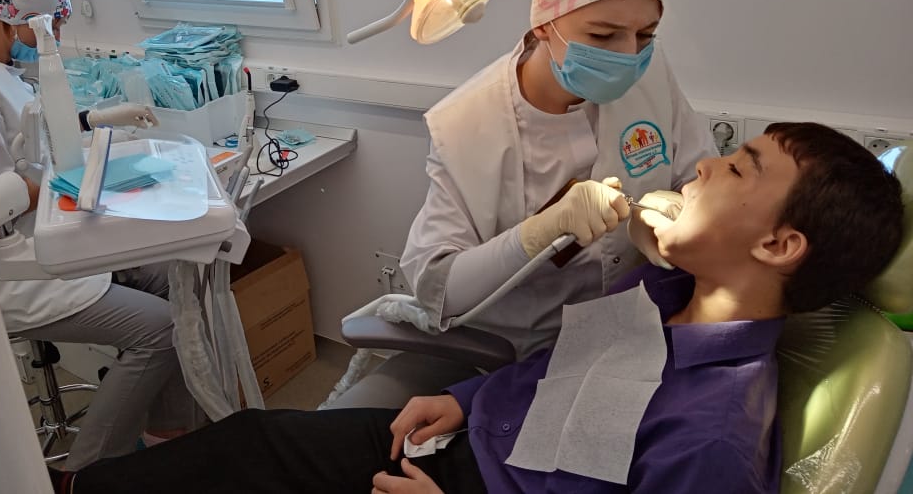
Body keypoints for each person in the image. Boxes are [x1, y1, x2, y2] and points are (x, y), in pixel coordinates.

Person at [49, 121, 905, 492]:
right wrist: (464, 398)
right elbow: (564, 376)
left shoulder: (713, 436)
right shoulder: (661, 290)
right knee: (252, 443)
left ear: (779, 246)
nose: (707, 166)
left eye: (741, 167)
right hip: (472, 442)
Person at [333, 0, 717, 407]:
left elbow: (702, 178)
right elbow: (438, 287)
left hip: (628, 334)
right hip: (518, 354)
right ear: (544, 24)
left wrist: (672, 211)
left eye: (645, 35)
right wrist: (536, 234)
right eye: (604, 36)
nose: (628, 55)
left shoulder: (653, 75)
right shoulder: (467, 124)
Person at [0, 0, 194, 468]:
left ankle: (165, 439)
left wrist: (93, 119)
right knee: (162, 329)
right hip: (10, 269)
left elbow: (29, 131)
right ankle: (85, 471)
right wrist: (76, 176)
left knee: (175, 277)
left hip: (50, 234)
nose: (54, 35)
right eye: (50, 24)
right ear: (14, 18)